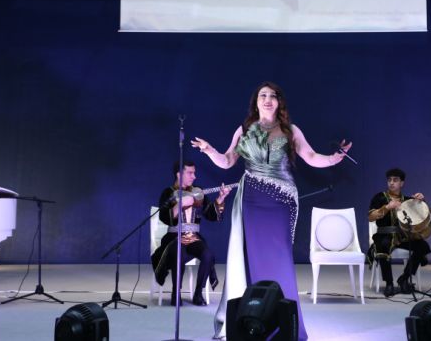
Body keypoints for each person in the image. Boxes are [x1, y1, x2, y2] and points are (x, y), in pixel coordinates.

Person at [191, 81, 352, 340]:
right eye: (262, 95)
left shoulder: (291, 131)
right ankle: (254, 322)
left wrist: (333, 158)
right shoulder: (244, 129)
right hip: (252, 200)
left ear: (279, 102)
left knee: (280, 261)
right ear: (256, 102)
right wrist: (209, 150)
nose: (267, 99)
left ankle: (285, 325)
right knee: (253, 261)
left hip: (281, 202)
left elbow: (311, 157)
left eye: (273, 96)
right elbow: (227, 161)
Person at [151, 161, 230, 306]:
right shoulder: (168, 193)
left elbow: (211, 215)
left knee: (208, 255)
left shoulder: (198, 192)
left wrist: (220, 198)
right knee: (178, 253)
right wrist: (179, 204)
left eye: (194, 173)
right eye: (190, 173)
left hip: (194, 238)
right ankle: (176, 293)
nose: (194, 176)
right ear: (179, 174)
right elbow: (164, 217)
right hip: (174, 237)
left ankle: (198, 294)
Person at [368, 168, 431, 297]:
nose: (391, 183)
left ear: (402, 183)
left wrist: (421, 202)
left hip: (402, 236)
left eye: (395, 180)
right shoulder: (379, 197)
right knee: (383, 245)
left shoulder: (408, 201)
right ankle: (389, 283)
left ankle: (404, 278)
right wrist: (387, 207)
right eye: (389, 180)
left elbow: (423, 215)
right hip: (384, 235)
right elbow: (371, 217)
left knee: (422, 246)